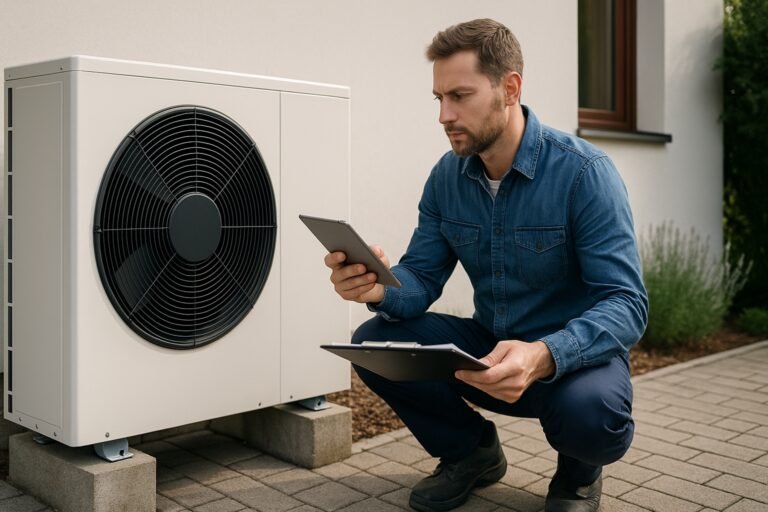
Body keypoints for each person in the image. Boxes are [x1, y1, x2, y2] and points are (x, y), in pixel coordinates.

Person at [324, 18, 648, 512]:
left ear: (509, 88)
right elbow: (421, 278)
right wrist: (377, 288)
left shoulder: (585, 174)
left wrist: (543, 355)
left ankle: (579, 470)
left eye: (460, 96)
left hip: (571, 366)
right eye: (438, 99)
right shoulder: (446, 178)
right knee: (376, 344)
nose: (444, 115)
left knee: (593, 414)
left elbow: (627, 305)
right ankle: (470, 453)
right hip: (490, 354)